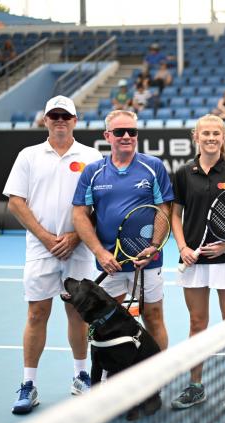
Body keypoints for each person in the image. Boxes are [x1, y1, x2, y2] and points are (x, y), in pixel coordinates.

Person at [3, 95, 103, 414]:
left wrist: (76, 236)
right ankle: (28, 385)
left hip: (80, 250)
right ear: (45, 120)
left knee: (78, 314)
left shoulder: (92, 156)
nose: (60, 120)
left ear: (75, 121)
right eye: (53, 115)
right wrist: (47, 238)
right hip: (40, 250)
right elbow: (16, 202)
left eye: (66, 115)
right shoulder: (28, 156)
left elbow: (98, 203)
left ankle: (80, 376)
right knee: (37, 314)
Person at [72, 110, 173, 353]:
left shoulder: (153, 166)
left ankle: (158, 374)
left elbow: (163, 209)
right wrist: (99, 253)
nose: (127, 136)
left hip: (147, 261)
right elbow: (79, 215)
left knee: (153, 316)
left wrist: (154, 246)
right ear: (108, 136)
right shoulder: (93, 171)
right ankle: (109, 375)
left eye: (132, 131)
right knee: (105, 320)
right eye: (119, 132)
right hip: (110, 263)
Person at [170, 114, 225, 411]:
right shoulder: (183, 173)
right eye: (205, 133)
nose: (211, 138)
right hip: (193, 260)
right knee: (197, 323)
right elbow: (174, 215)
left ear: (223, 137)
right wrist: (183, 247)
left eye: (216, 133)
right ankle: (195, 386)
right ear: (196, 137)